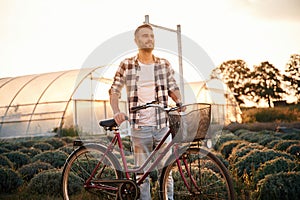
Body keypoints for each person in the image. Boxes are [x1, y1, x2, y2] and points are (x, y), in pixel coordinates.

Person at [109, 24, 182, 200]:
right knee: (142, 175)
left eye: (151, 36)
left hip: (162, 125)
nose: (149, 39)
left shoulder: (164, 64)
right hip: (140, 127)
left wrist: (180, 102)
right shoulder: (126, 65)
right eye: (144, 36)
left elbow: (173, 88)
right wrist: (116, 111)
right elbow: (114, 90)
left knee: (167, 172)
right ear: (136, 41)